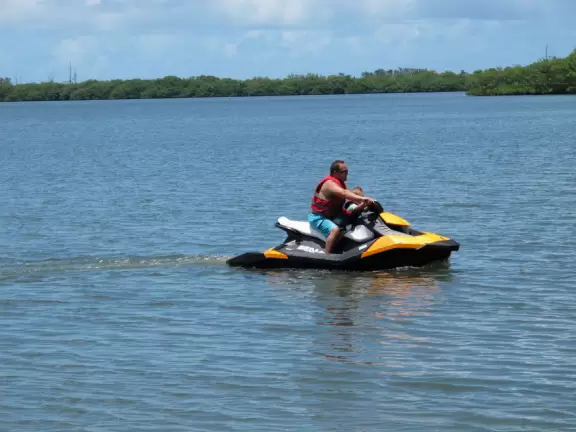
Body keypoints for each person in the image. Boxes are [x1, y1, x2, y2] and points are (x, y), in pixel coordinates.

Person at [309, 160, 375, 253]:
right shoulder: (329, 184)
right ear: (335, 173)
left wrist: (365, 204)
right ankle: (327, 256)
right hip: (319, 218)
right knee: (335, 230)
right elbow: (344, 193)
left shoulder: (340, 183)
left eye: (347, 172)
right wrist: (363, 199)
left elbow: (350, 195)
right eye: (344, 172)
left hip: (334, 216)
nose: (346, 174)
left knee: (354, 220)